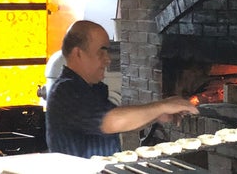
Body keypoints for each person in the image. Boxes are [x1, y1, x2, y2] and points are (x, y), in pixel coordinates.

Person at [45, 20, 199, 158]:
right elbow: (111, 121)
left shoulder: (91, 88)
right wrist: (163, 105)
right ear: (78, 53)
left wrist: (157, 115)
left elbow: (121, 123)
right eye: (101, 51)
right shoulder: (66, 90)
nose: (108, 59)